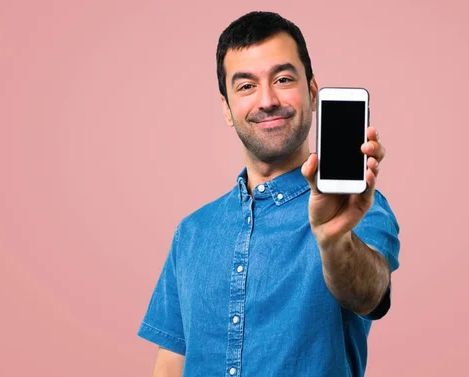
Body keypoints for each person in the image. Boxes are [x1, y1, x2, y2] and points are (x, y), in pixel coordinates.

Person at [137, 11, 401, 377]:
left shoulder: (355, 209)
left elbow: (369, 295)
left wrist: (333, 239)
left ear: (311, 91)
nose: (267, 100)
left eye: (282, 78)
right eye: (246, 86)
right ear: (227, 109)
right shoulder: (192, 232)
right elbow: (171, 362)